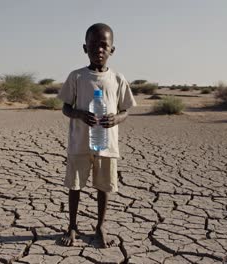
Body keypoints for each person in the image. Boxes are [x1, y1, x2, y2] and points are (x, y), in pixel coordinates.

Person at [57, 23, 136, 248]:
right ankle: (72, 225)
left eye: (104, 45)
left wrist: (116, 118)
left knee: (104, 187)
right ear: (85, 48)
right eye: (93, 45)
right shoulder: (77, 77)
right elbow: (65, 108)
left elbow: (126, 110)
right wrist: (79, 114)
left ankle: (100, 226)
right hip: (79, 144)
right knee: (75, 186)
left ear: (112, 50)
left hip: (106, 145)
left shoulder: (118, 79)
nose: (99, 50)